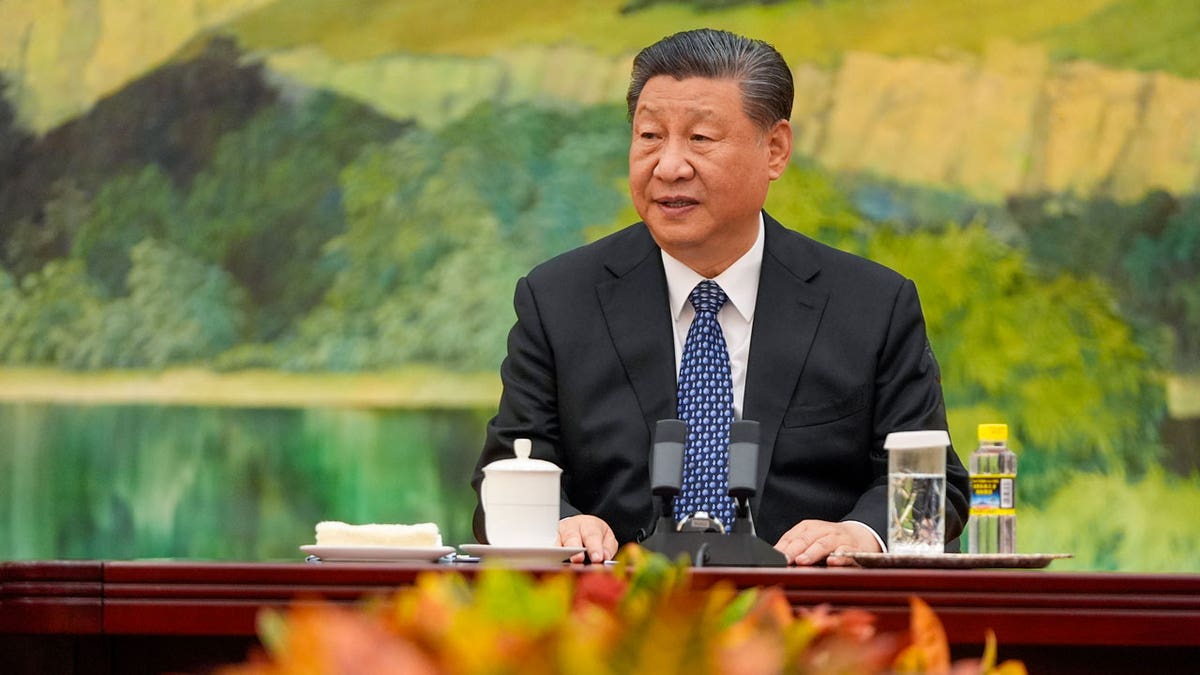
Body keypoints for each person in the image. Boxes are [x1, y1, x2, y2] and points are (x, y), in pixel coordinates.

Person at [472, 28, 969, 565]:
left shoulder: (870, 305)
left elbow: (936, 489)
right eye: (650, 137)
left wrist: (859, 534)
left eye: (701, 140)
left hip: (808, 617)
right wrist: (561, 522)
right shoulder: (559, 300)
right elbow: (502, 477)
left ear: (774, 149)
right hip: (616, 618)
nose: (669, 166)